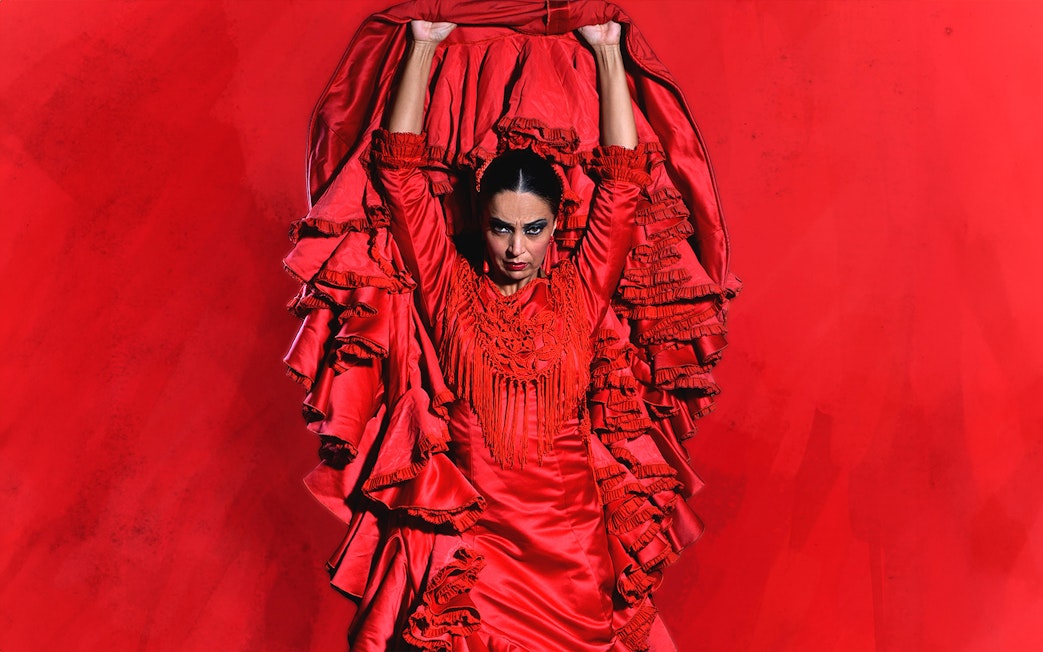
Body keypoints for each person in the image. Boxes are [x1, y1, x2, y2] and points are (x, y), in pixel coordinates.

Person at [282, 3, 739, 650]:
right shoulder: (447, 287)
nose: (516, 248)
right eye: (501, 228)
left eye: (533, 229)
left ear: (555, 226)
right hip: (480, 556)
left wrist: (609, 51)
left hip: (574, 554)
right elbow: (399, 175)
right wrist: (423, 45)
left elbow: (622, 180)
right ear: (481, 222)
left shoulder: (581, 290)